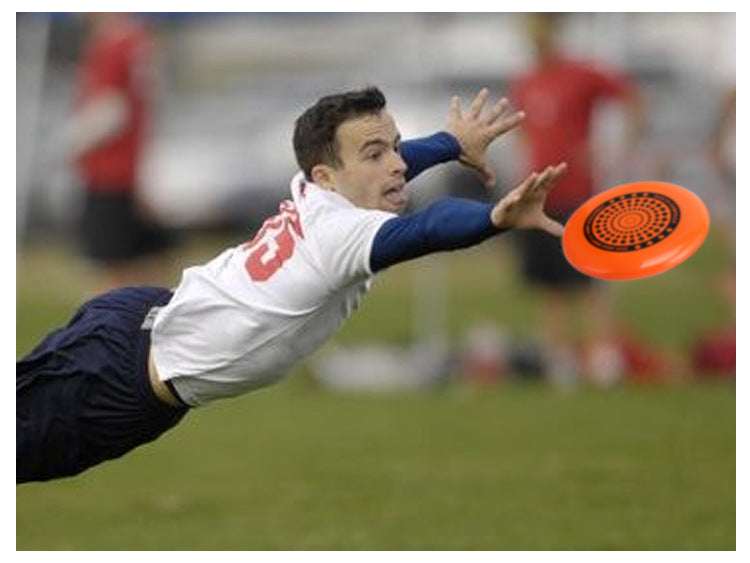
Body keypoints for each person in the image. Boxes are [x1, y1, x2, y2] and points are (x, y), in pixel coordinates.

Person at [17, 86, 567, 484]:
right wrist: (493, 218)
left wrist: (449, 142)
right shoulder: (341, 234)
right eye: (377, 154)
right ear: (325, 174)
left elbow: (391, 167)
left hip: (136, 319)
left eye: (395, 147)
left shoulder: (317, 189)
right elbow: (425, 230)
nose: (398, 164)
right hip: (128, 377)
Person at [508, 13, 644, 387]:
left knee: (590, 279)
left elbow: (631, 99)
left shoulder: (581, 73)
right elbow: (524, 134)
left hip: (579, 191)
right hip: (538, 195)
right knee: (548, 283)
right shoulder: (525, 80)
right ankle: (559, 362)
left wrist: (615, 149)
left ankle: (604, 360)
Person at [60, 13, 175, 291]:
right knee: (143, 257)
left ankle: (109, 321)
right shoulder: (137, 39)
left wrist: (72, 142)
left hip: (108, 169)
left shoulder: (112, 43)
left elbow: (111, 109)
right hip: (131, 164)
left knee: (111, 262)